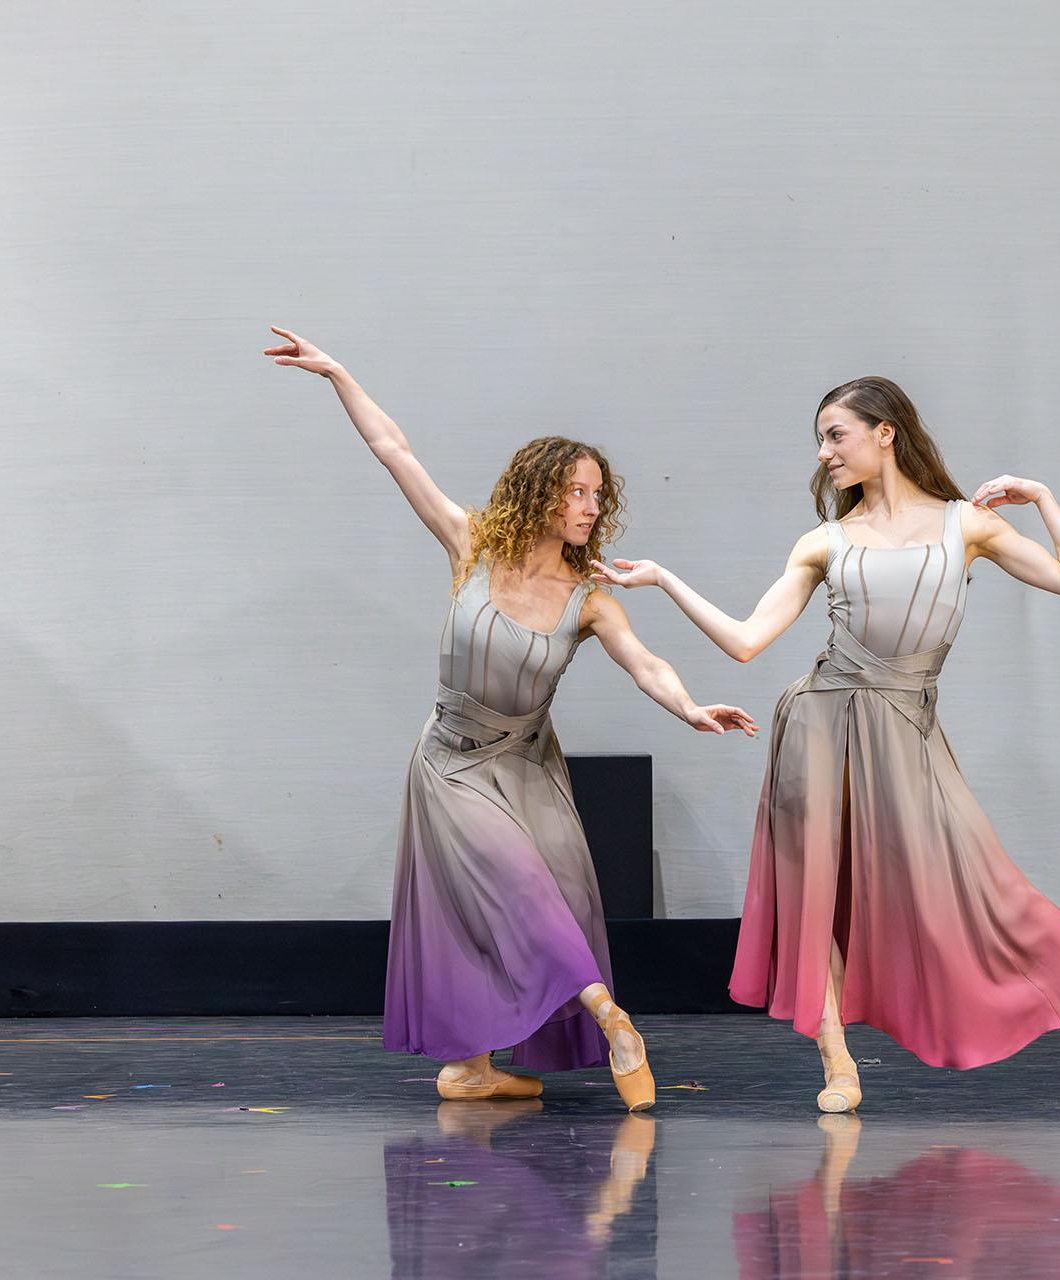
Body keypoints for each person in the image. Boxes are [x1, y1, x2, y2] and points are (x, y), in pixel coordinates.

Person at [593, 376, 1060, 1112]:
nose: (824, 454)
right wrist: (663, 581)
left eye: (835, 435)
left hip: (906, 727)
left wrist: (1041, 497)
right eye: (819, 440)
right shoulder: (824, 541)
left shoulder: (964, 525)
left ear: (885, 432)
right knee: (817, 893)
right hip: (819, 725)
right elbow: (747, 641)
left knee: (988, 883)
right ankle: (837, 1061)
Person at [265, 326, 757, 1110]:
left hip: (527, 767)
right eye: (578, 492)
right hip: (451, 763)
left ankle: (473, 1068)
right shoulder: (471, 547)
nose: (593, 508)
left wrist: (690, 707)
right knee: (507, 889)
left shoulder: (589, 599)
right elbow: (394, 449)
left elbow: (646, 665)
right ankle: (608, 1016)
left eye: (600, 494)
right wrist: (337, 375)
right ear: (538, 492)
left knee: (552, 891)